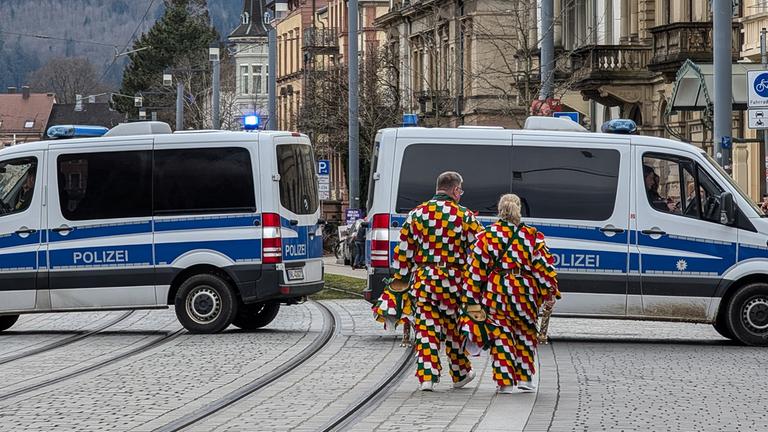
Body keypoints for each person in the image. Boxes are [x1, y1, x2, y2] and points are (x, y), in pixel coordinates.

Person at [373, 171, 483, 391]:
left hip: (424, 281)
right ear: (454, 190)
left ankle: (427, 377)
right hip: (455, 281)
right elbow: (478, 253)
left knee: (426, 329)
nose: (460, 194)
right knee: (454, 328)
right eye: (460, 190)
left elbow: (403, 254)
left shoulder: (416, 215)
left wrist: (400, 283)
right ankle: (460, 373)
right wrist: (477, 283)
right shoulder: (466, 217)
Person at [464, 194, 560, 394]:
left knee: (501, 335)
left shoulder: (487, 236)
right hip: (525, 292)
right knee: (525, 333)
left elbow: (476, 270)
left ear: (500, 210)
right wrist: (551, 292)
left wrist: (472, 298)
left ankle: (505, 381)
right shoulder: (531, 235)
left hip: (497, 290)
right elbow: (542, 267)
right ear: (518, 209)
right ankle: (526, 379)